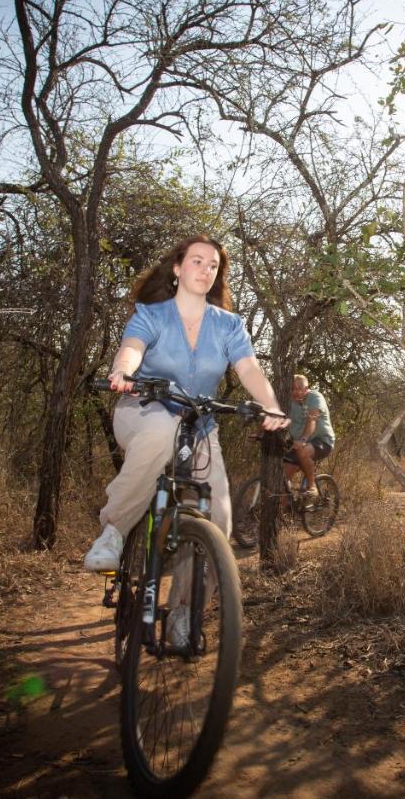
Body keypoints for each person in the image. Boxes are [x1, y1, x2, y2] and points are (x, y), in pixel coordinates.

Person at [83, 235, 288, 643]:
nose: (205, 270)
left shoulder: (228, 325)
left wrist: (271, 405)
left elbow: (248, 369)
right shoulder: (151, 314)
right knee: (161, 429)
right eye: (197, 261)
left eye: (213, 265)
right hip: (143, 414)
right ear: (177, 268)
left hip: (199, 427)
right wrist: (122, 372)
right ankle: (114, 531)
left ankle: (183, 612)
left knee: (221, 523)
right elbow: (132, 349)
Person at [284, 374, 335, 496]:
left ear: (307, 389)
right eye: (293, 388)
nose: (296, 391)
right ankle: (284, 511)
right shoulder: (290, 402)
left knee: (303, 451)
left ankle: (312, 487)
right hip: (300, 443)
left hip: (322, 440)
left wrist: (303, 439)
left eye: (299, 388)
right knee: (284, 477)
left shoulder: (314, 397)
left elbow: (312, 420)